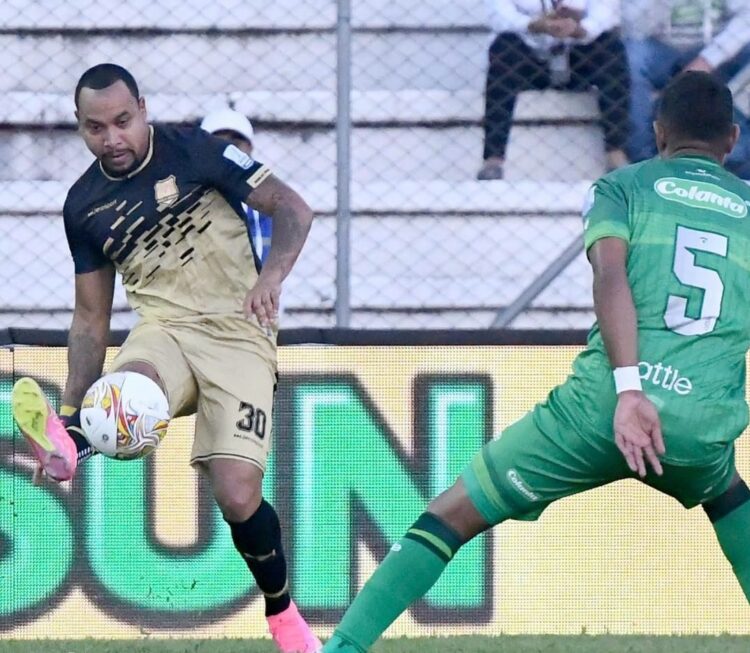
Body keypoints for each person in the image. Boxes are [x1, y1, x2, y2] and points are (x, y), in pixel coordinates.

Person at [323, 71, 750, 652]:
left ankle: (342, 649)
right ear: (731, 138)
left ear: (657, 132)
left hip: (601, 410)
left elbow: (609, 275)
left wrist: (631, 390)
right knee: (725, 493)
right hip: (699, 425)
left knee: (450, 515)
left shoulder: (621, 188)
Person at [10, 63, 321, 653]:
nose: (113, 138)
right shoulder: (83, 205)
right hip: (165, 331)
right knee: (129, 392)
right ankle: (72, 444)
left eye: (123, 122)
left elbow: (294, 209)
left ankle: (282, 614)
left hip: (239, 333)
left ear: (144, 110)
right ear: (80, 128)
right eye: (96, 128)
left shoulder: (196, 152)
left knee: (237, 495)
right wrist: (74, 409)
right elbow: (90, 318)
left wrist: (271, 278)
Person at [478, 0, 630, 180]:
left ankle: (615, 154)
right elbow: (498, 16)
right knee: (504, 47)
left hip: (578, 53)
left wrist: (580, 29)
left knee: (611, 47)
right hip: (531, 56)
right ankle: (493, 160)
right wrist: (533, 24)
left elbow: (606, 14)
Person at [623, 0, 750, 179]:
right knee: (631, 53)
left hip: (719, 51)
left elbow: (746, 19)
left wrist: (708, 59)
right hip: (660, 51)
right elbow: (634, 28)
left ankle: (735, 158)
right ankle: (643, 157)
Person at [201, 107, 273, 264]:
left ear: (249, 148)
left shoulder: (262, 199)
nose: (228, 151)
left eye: (235, 144)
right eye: (218, 143)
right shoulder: (187, 192)